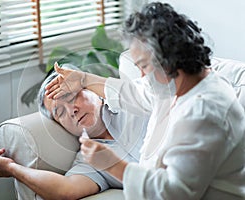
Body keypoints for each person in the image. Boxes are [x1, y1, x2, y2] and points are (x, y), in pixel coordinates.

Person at [45, 2, 245, 200]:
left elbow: (174, 193)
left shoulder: (203, 112)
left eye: (143, 66)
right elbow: (134, 93)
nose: (140, 75)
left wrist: (113, 164)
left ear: (169, 57)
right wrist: (83, 79)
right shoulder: (176, 87)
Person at [0, 64, 148, 200]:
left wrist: (85, 79)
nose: (72, 111)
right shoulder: (90, 160)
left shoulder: (132, 102)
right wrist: (11, 168)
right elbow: (64, 191)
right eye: (60, 112)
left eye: (71, 96)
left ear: (90, 89)